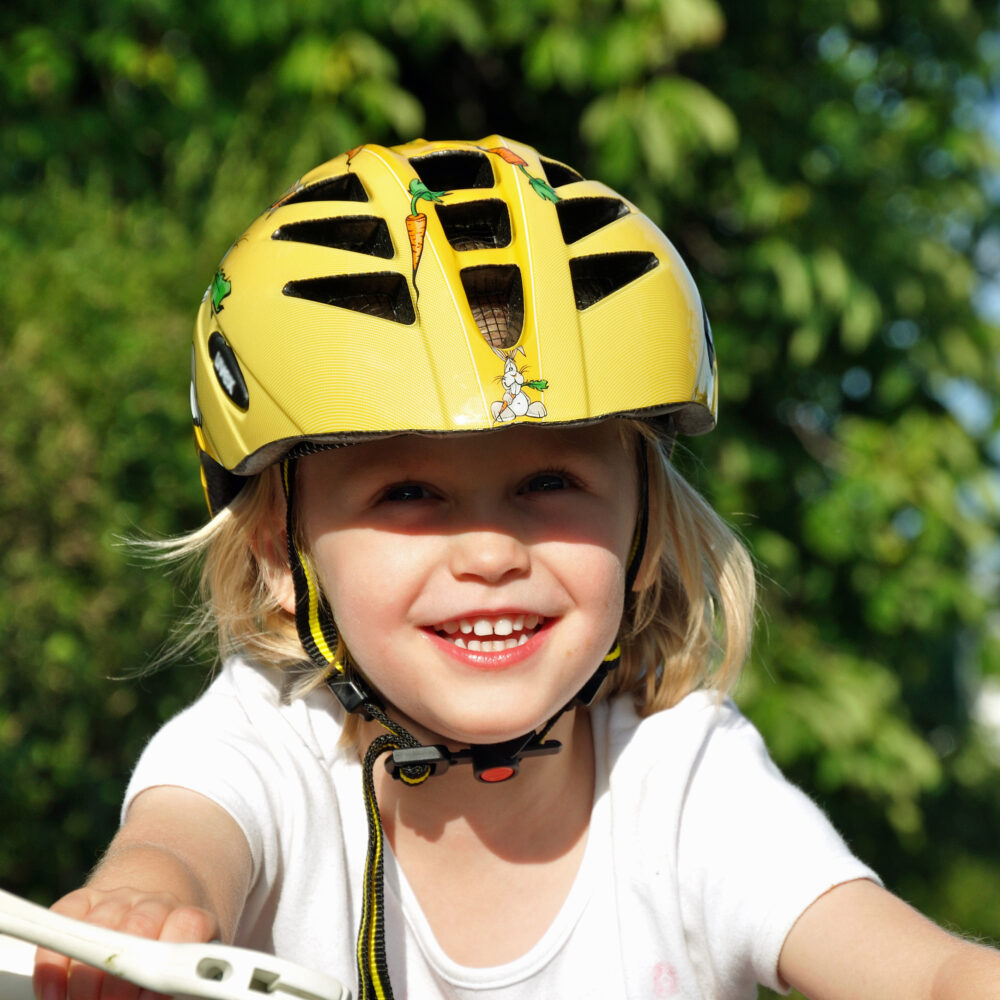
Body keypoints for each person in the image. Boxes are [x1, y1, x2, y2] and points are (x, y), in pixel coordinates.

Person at [33, 136, 1000, 1000]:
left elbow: (916, 970)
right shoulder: (265, 746)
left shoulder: (681, 783)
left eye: (549, 481)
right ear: (281, 557)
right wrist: (145, 908)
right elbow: (178, 848)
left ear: (644, 531)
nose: (492, 552)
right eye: (408, 494)